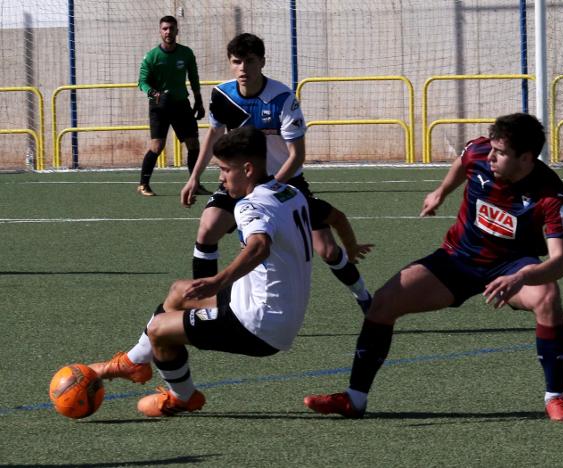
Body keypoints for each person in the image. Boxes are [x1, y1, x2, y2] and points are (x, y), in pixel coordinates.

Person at [303, 113, 563, 422]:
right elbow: (463, 161)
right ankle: (354, 399)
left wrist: (522, 276)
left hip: (512, 267)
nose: (490, 156)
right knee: (382, 303)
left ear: (526, 158)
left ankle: (554, 397)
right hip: (457, 258)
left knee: (548, 298)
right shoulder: (480, 153)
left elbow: (560, 262)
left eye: (500, 153)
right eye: (491, 148)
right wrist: (440, 192)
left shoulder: (551, 195)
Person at [90, 127, 313, 416]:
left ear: (247, 168)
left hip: (259, 323)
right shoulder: (290, 192)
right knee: (179, 291)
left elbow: (260, 247)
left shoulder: (249, 205)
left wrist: (219, 280)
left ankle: (183, 397)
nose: (220, 177)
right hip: (280, 308)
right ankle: (135, 362)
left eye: (224, 169)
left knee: (159, 330)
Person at [180, 33, 373, 312]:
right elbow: (213, 135)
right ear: (230, 64)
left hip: (285, 185)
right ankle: (205, 306)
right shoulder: (222, 95)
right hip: (241, 181)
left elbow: (297, 156)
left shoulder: (282, 98)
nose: (243, 68)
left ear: (262, 62)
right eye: (237, 62)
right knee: (208, 228)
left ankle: (363, 295)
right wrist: (194, 176)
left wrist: (268, 190)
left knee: (329, 251)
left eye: (250, 61)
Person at [136, 15, 210, 197]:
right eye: (165, 29)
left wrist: (199, 101)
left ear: (177, 31)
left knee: (193, 143)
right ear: (160, 31)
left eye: (171, 28)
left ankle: (196, 184)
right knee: (157, 146)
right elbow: (142, 82)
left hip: (181, 104)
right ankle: (143, 184)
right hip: (159, 105)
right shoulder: (151, 57)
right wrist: (155, 94)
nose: (168, 32)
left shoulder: (186, 53)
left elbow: (193, 78)